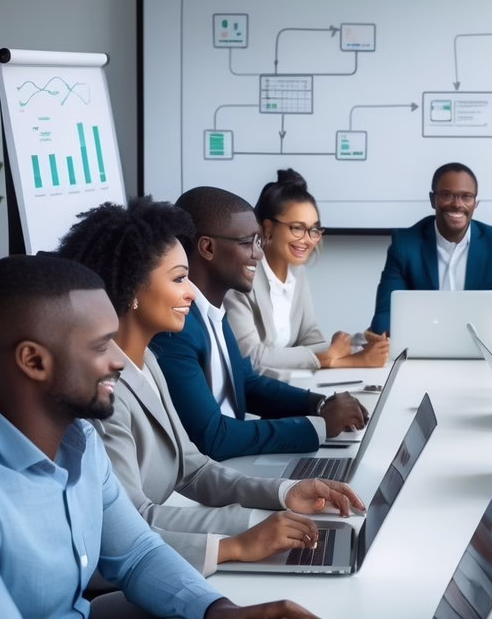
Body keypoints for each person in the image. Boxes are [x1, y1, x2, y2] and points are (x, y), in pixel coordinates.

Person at [0, 254, 352, 619]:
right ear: (34, 361)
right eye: (101, 346)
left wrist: (217, 612)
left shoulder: (77, 441)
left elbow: (137, 553)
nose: (120, 360)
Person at [58, 197, 364, 576]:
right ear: (132, 289)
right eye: (178, 279)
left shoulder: (148, 361)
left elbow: (193, 469)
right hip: (129, 572)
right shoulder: (103, 393)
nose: (190, 293)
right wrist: (244, 536)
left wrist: (285, 493)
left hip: (164, 553)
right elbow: (134, 521)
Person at [149, 186, 367, 461]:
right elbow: (214, 438)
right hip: (209, 476)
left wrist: (321, 404)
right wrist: (319, 426)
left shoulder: (214, 310)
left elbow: (247, 382)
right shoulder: (176, 328)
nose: (259, 254)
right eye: (247, 243)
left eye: (258, 242)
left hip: (236, 461)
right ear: (207, 248)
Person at [225, 169, 389, 376]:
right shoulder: (241, 279)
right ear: (267, 229)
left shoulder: (296, 272)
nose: (308, 239)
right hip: (256, 397)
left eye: (314, 229)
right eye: (297, 228)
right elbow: (251, 356)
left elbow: (310, 338)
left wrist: (358, 343)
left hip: (290, 384)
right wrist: (332, 360)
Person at [369, 162, 492, 334]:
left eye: (466, 196)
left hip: (479, 351)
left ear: (475, 203)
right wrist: (388, 337)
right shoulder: (405, 243)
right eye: (447, 195)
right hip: (420, 349)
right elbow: (386, 312)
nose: (457, 204)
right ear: (433, 199)